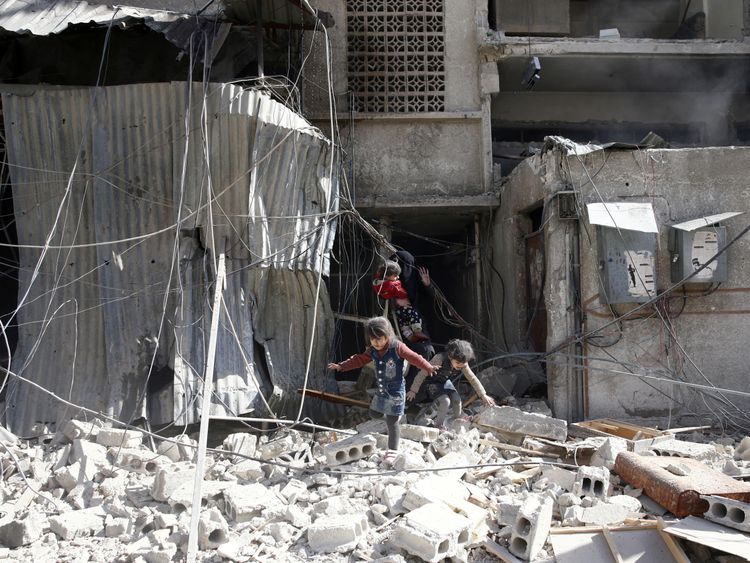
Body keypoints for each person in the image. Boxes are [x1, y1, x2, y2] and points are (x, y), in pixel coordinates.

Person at [328, 316, 436, 465]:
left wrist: (428, 367)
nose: (376, 343)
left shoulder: (397, 347)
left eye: (380, 339)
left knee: (391, 421)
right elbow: (358, 359)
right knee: (374, 413)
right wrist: (342, 366)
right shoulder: (372, 350)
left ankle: (393, 450)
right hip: (382, 391)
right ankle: (394, 424)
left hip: (396, 391)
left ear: (387, 336)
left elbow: (413, 357)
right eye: (373, 339)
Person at [406, 339, 495, 429]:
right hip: (430, 382)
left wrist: (483, 395)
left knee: (456, 399)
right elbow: (422, 373)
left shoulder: (462, 363)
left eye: (462, 364)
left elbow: (472, 378)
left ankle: (459, 416)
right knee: (445, 401)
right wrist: (413, 390)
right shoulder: (440, 358)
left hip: (445, 382)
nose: (460, 366)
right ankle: (438, 425)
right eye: (457, 363)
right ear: (450, 356)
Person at [372, 260, 429, 343]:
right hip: (402, 307)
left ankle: (409, 336)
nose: (398, 277)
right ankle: (417, 331)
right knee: (413, 314)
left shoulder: (377, 282)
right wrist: (407, 295)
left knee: (403, 322)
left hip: (393, 310)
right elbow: (402, 294)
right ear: (387, 275)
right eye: (395, 276)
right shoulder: (392, 285)